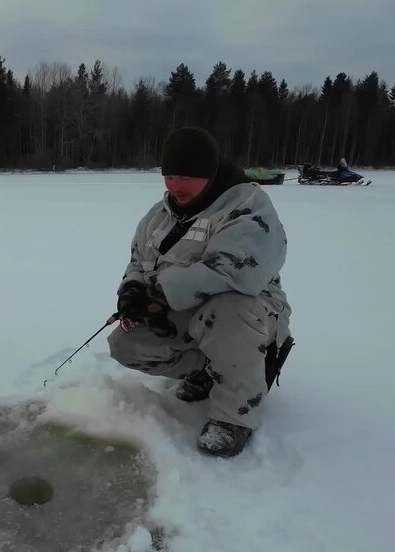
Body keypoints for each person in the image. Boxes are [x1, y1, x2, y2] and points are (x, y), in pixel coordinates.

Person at [107, 126, 293, 458]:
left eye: (186, 177)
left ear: (209, 173)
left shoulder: (247, 206)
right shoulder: (159, 216)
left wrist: (159, 293)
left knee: (229, 310)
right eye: (170, 175)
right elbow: (138, 260)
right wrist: (132, 292)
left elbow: (234, 272)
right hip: (186, 311)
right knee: (125, 343)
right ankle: (208, 372)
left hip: (251, 313)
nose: (175, 186)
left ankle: (236, 415)